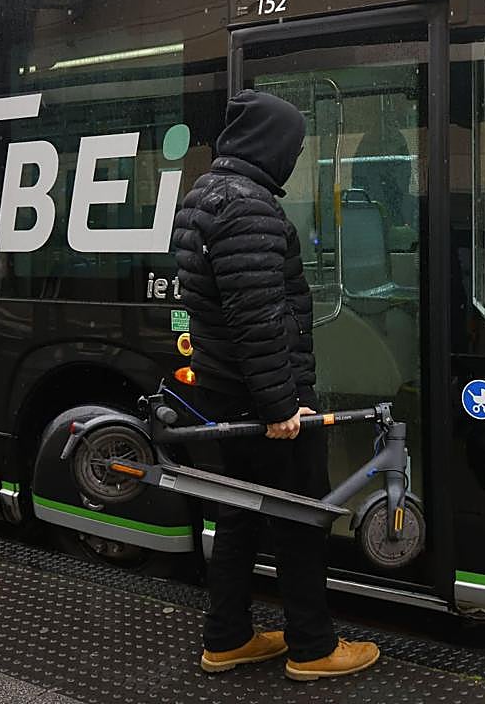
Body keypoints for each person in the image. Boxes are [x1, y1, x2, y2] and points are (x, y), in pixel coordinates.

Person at [171, 89, 380, 681]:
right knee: (300, 516)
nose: (293, 156)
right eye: (293, 145)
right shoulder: (248, 207)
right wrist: (281, 404)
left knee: (238, 513)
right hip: (263, 396)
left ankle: (228, 637)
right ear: (272, 145)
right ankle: (313, 648)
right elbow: (256, 314)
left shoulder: (204, 197)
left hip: (222, 388)